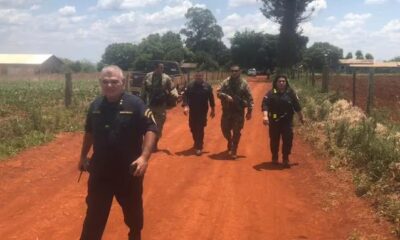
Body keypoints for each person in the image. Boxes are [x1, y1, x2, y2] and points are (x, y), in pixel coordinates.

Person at [78, 65, 158, 240]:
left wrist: (144, 157)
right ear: (100, 83)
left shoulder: (136, 104)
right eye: (105, 82)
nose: (109, 85)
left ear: (123, 82)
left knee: (133, 212)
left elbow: (151, 127)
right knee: (94, 215)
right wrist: (83, 156)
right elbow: (89, 132)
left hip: (128, 172)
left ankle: (135, 234)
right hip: (100, 172)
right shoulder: (95, 105)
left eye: (114, 81)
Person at [262, 74, 304, 168]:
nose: (281, 83)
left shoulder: (290, 93)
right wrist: (265, 116)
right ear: (276, 83)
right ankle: (275, 157)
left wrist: (301, 117)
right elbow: (265, 105)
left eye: (283, 81)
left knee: (288, 140)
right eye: (279, 81)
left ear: (286, 83)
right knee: (274, 140)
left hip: (287, 121)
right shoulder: (271, 93)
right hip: (274, 121)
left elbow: (297, 106)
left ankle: (285, 158)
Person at [217, 65, 254, 159]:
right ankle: (230, 140)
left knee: (237, 131)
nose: (234, 72)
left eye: (236, 71)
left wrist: (249, 111)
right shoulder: (225, 82)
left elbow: (250, 98)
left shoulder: (244, 84)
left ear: (239, 71)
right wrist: (225, 96)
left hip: (238, 112)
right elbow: (218, 92)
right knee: (224, 129)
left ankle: (234, 149)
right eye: (232, 70)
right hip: (227, 111)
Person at [141, 63, 178, 151]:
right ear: (155, 68)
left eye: (162, 68)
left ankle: (154, 144)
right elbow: (143, 89)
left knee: (159, 125)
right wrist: (141, 101)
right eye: (160, 68)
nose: (162, 70)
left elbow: (172, 88)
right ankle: (147, 144)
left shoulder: (166, 78)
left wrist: (176, 96)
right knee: (148, 124)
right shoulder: (148, 76)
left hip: (161, 105)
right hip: (149, 104)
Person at [182, 71, 215, 156]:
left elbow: (211, 98)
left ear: (203, 76)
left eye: (200, 76)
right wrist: (185, 106)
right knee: (192, 127)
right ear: (194, 76)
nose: (198, 77)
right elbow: (185, 96)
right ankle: (196, 141)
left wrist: (213, 109)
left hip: (203, 111)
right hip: (193, 110)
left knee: (200, 128)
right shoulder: (190, 86)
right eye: (197, 76)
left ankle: (199, 147)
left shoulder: (207, 86)